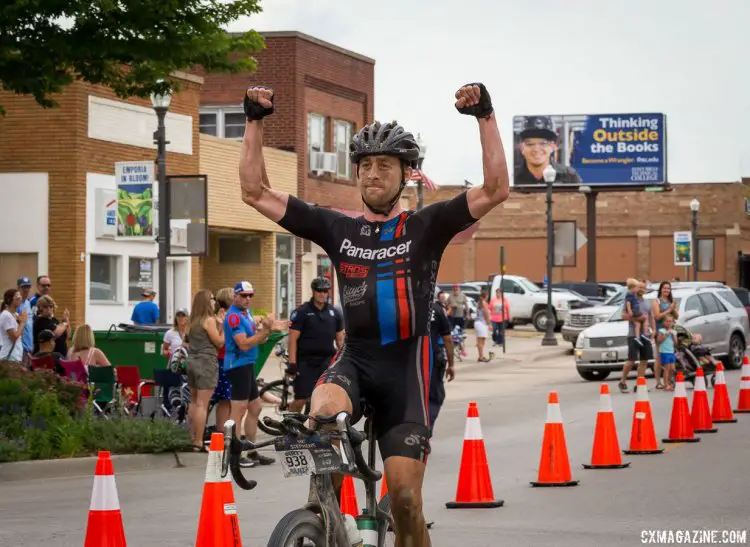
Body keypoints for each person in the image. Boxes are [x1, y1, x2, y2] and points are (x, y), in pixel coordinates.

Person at [238, 81, 509, 545]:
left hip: (408, 367)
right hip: (357, 359)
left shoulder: (427, 225)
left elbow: (497, 188)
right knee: (321, 415)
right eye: (364, 165)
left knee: (405, 500)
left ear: (406, 173)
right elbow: (253, 192)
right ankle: (324, 517)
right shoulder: (337, 228)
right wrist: (253, 121)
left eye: (384, 165)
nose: (372, 174)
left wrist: (485, 116)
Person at [224, 281, 288, 468]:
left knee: (255, 408)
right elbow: (244, 344)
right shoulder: (234, 317)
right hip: (237, 364)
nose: (247, 299)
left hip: (247, 364)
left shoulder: (246, 314)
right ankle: (234, 453)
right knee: (239, 409)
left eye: (250, 295)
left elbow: (259, 337)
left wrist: (268, 329)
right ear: (235, 296)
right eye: (243, 295)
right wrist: (267, 329)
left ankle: (251, 451)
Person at [287, 277, 344, 413]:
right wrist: (292, 363)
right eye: (319, 291)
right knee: (301, 398)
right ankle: (290, 424)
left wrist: (344, 361)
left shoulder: (334, 313)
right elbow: (292, 339)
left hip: (327, 362)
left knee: (324, 398)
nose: (322, 294)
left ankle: (314, 429)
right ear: (313, 291)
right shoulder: (302, 312)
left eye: (325, 291)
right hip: (306, 362)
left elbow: (340, 339)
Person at [185, 289, 224, 452]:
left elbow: (185, 342)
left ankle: (191, 437)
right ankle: (199, 442)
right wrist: (224, 328)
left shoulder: (192, 322)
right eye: (212, 298)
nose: (215, 301)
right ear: (206, 302)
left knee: (193, 401)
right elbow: (219, 342)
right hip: (206, 361)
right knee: (203, 403)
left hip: (192, 361)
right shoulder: (208, 320)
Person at [514, 116, 581, 185]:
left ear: (553, 146)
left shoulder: (569, 177)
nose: (536, 149)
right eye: (530, 144)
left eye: (543, 143)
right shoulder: (511, 176)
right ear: (521, 148)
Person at [618, 280, 655, 393]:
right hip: (633, 334)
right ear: (636, 287)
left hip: (646, 335)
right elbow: (623, 315)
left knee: (644, 360)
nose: (641, 290)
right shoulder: (630, 300)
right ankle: (622, 381)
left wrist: (653, 331)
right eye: (640, 287)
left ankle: (639, 384)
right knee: (631, 360)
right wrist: (637, 319)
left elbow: (651, 317)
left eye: (644, 288)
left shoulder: (647, 302)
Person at [427, 296, 454, 433]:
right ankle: (425, 431)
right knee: (434, 396)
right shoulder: (437, 310)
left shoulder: (407, 308)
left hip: (406, 361)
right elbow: (447, 339)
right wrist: (451, 364)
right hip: (430, 361)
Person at [651, 281, 679, 390]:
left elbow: (676, 316)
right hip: (660, 332)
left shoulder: (671, 301)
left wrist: (674, 308)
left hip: (670, 332)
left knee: (669, 356)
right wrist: (669, 309)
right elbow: (657, 317)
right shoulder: (656, 301)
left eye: (668, 288)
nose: (666, 290)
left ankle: (668, 381)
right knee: (659, 358)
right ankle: (658, 382)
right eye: (664, 288)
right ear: (660, 289)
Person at [0, 288, 28, 362]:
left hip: (16, 354)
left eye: (20, 298)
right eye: (17, 298)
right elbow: (14, 337)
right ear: (9, 300)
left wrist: (20, 322)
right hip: (9, 356)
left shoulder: (15, 315)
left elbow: (20, 335)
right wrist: (22, 322)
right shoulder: (6, 315)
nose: (20, 300)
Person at [656, 314, 677, 391]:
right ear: (664, 322)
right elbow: (659, 341)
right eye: (667, 321)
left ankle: (669, 381)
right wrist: (665, 335)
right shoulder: (662, 331)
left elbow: (675, 343)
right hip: (664, 352)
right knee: (667, 368)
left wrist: (673, 336)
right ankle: (666, 384)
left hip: (671, 352)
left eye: (670, 321)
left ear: (673, 322)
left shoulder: (674, 331)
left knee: (672, 368)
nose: (669, 323)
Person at [624, 278, 647, 346]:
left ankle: (638, 337)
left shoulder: (633, 294)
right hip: (634, 312)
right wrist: (630, 311)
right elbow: (628, 303)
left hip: (635, 311)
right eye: (637, 287)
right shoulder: (629, 294)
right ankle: (644, 334)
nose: (638, 289)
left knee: (638, 324)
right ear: (632, 287)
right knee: (645, 318)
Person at [474, 290, 492, 362]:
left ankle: (480, 355)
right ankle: (481, 356)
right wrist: (489, 324)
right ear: (486, 296)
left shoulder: (479, 303)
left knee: (479, 341)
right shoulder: (484, 303)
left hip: (477, 322)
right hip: (482, 323)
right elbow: (486, 315)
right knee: (482, 341)